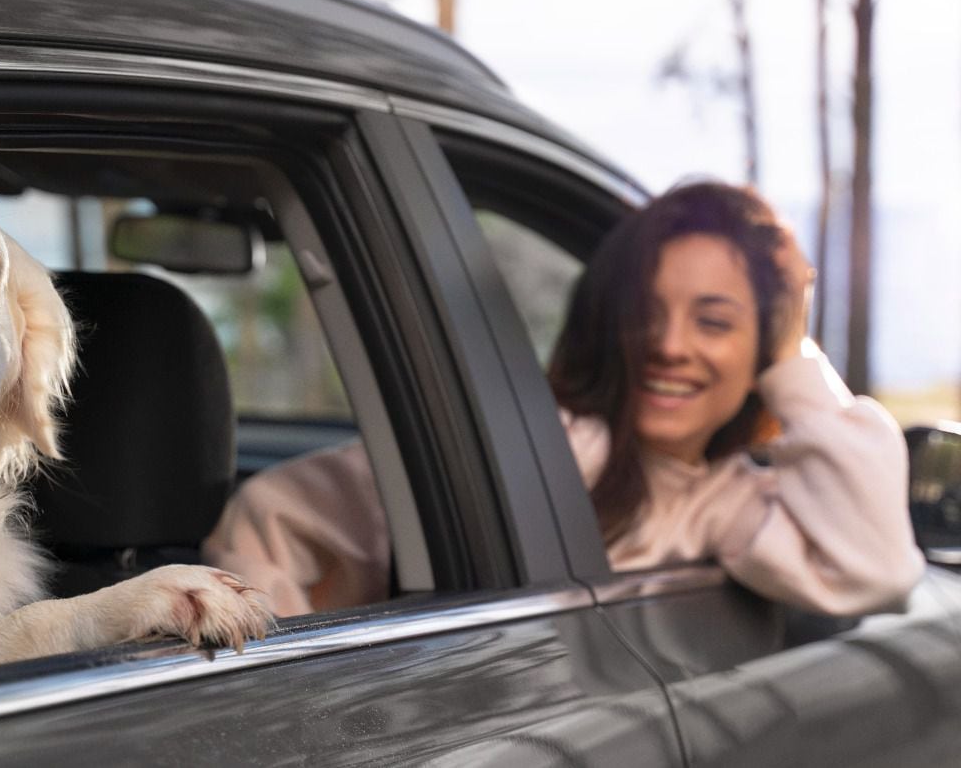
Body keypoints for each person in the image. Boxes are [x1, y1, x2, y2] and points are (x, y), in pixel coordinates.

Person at [201, 181, 924, 618]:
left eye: (714, 321)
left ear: (761, 350)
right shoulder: (557, 444)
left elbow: (876, 566)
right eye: (646, 309)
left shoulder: (730, 503)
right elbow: (270, 518)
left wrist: (796, 355)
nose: (670, 343)